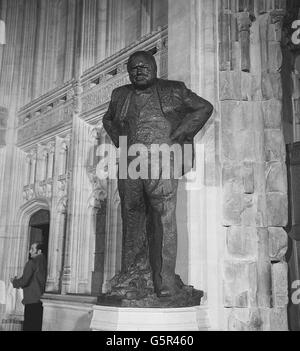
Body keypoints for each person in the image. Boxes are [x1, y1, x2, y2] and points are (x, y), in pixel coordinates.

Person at [103, 50, 213, 300]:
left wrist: (181, 134)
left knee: (163, 218)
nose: (138, 71)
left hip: (162, 159)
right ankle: (133, 275)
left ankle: (165, 283)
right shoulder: (120, 94)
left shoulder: (174, 89)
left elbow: (204, 108)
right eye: (133, 68)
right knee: (131, 217)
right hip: (129, 162)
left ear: (154, 68)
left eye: (143, 66)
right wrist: (121, 144)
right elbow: (107, 119)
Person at [11, 242, 47, 331]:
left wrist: (14, 282)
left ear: (39, 251)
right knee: (37, 326)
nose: (29, 251)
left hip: (31, 299)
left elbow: (24, 281)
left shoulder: (31, 263)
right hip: (41, 299)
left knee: (29, 327)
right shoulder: (45, 263)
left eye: (32, 249)